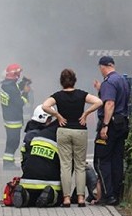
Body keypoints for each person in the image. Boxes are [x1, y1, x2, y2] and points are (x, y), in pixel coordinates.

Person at [41, 68, 102, 208]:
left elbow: (45, 106)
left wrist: (58, 116)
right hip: (80, 131)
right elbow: (99, 102)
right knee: (80, 165)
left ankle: (66, 198)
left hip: (63, 131)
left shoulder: (57, 96)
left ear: (61, 82)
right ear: (74, 80)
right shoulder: (82, 95)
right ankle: (81, 198)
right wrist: (86, 113)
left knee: (66, 165)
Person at [93, 56, 130, 206]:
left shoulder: (109, 82)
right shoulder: (122, 80)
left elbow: (109, 104)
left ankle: (108, 195)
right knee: (116, 159)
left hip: (111, 125)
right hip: (122, 124)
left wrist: (105, 126)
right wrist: (100, 90)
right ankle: (116, 193)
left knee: (101, 160)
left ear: (103, 66)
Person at [12, 106, 62, 208]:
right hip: (49, 180)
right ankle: (50, 196)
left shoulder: (29, 135)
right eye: (50, 119)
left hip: (27, 181)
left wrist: (27, 171)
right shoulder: (50, 134)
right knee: (58, 198)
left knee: (31, 199)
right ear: (45, 119)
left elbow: (23, 158)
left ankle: (24, 194)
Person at [0, 63, 31, 169]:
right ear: (15, 75)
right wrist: (26, 93)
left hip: (9, 119)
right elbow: (20, 102)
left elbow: (16, 88)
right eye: (18, 74)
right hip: (13, 120)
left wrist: (24, 82)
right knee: (13, 142)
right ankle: (8, 164)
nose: (19, 76)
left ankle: (9, 162)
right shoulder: (11, 88)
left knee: (11, 141)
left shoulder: (7, 85)